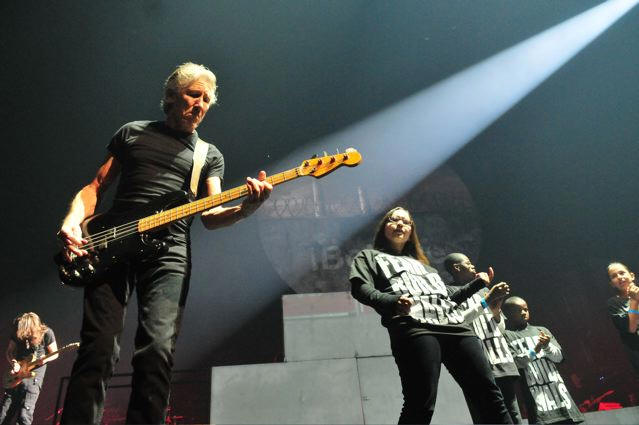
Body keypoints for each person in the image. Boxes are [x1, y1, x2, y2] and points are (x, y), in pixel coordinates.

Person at [56, 62, 272, 424]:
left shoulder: (209, 155)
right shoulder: (133, 133)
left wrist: (248, 208)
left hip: (169, 251)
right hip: (108, 242)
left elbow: (211, 215)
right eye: (193, 95)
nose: (200, 104)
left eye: (206, 100)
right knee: (98, 347)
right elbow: (94, 188)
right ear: (172, 96)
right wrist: (71, 222)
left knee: (157, 348)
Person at [349, 206, 513, 424]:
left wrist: (478, 284)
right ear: (383, 227)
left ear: (411, 232)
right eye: (393, 220)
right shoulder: (369, 257)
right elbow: (361, 288)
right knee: (421, 401)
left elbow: (447, 297)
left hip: (455, 326)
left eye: (406, 222)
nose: (400, 224)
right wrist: (393, 301)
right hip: (415, 327)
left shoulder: (426, 268)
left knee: (489, 395)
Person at [444, 252, 522, 423]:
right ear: (457, 267)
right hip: (478, 364)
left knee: (513, 415)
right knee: (487, 416)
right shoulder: (450, 292)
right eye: (468, 262)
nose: (473, 265)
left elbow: (499, 329)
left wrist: (496, 310)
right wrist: (487, 300)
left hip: (501, 360)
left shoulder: (485, 290)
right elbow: (459, 321)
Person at [502, 296, 584, 424]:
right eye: (519, 310)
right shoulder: (506, 335)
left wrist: (546, 346)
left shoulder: (541, 330)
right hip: (536, 399)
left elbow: (559, 358)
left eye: (526, 309)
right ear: (507, 314)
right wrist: (535, 349)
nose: (524, 312)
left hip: (560, 396)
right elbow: (516, 363)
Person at [0, 313, 58, 425]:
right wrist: (14, 363)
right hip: (16, 376)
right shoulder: (18, 331)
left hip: (33, 378)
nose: (23, 332)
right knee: (4, 413)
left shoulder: (46, 333)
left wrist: (44, 360)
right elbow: (9, 352)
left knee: (24, 415)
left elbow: (55, 354)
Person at [606, 262, 639, 374]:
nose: (619, 277)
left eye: (621, 273)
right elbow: (631, 328)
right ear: (612, 284)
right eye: (614, 276)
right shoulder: (613, 303)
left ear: (632, 276)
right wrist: (634, 300)